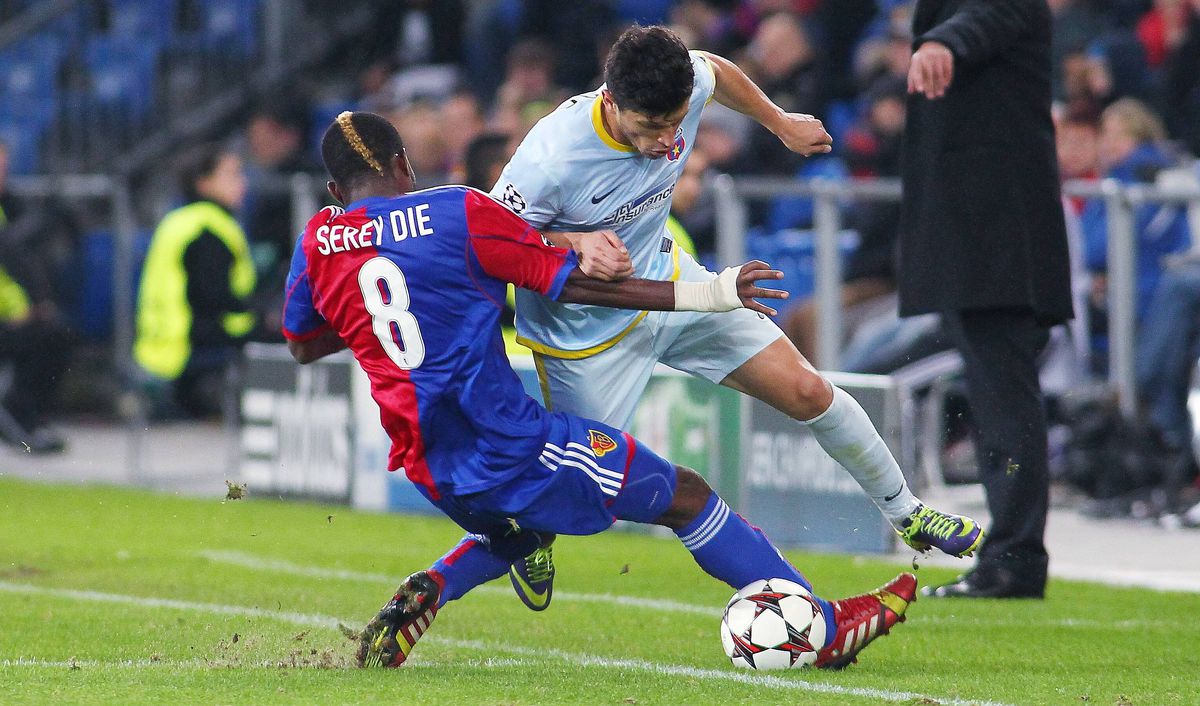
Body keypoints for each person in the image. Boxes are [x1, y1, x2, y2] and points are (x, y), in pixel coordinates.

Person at [283, 111, 918, 670]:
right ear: (404, 163)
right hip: (509, 441)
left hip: (425, 462)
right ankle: (826, 630)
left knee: (520, 529)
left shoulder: (315, 242)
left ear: (335, 190)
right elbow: (577, 284)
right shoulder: (458, 211)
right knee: (686, 496)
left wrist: (375, 325)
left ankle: (433, 587)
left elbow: (304, 344)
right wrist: (710, 294)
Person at [491, 25, 983, 585]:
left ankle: (907, 513)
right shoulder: (552, 156)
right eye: (651, 127)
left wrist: (780, 122)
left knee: (808, 390)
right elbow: (491, 239)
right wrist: (571, 242)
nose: (667, 141)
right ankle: (524, 536)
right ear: (611, 101)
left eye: (676, 122)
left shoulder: (685, 83)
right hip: (584, 336)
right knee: (578, 491)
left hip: (674, 286)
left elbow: (715, 69)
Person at [900, 0, 1074, 598]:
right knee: (995, 395)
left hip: (998, 240)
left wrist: (945, 41)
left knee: (1005, 399)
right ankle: (1011, 552)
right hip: (979, 242)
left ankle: (1016, 557)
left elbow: (991, 14)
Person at [134, 145, 257, 419]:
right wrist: (258, 313)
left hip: (159, 344)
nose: (242, 183)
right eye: (232, 175)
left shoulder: (179, 220)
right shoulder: (209, 228)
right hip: (190, 342)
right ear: (204, 183)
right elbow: (211, 296)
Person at [0, 141, 72, 453]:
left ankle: (24, 415)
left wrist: (36, 304)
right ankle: (16, 416)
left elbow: (20, 264)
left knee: (55, 335)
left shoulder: (10, 205)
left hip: (14, 315)